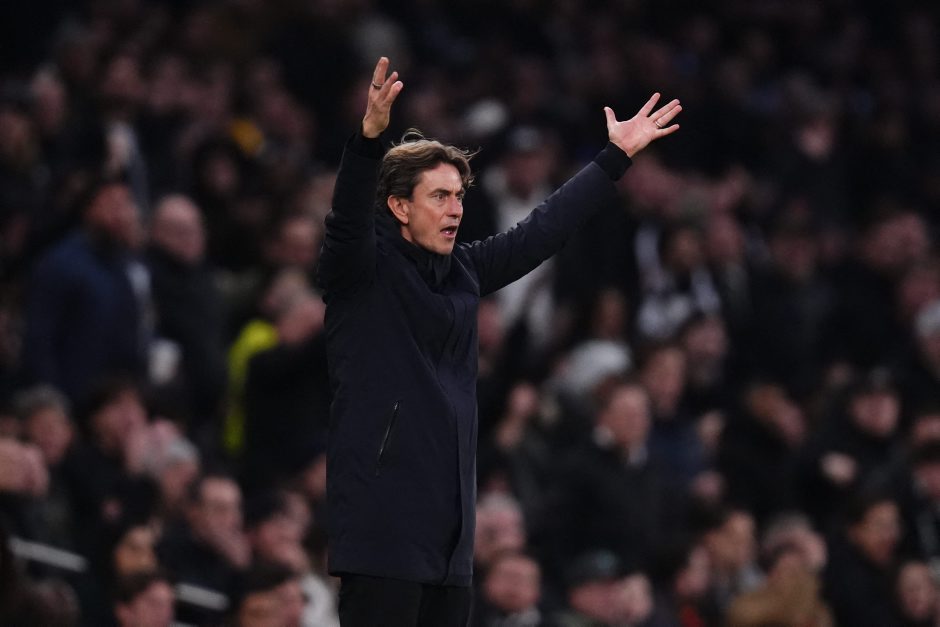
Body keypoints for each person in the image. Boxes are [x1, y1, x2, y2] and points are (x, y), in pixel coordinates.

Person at [318, 56, 681, 626]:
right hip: (382, 531)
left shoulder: (465, 270)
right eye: (439, 196)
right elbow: (344, 223)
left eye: (459, 196)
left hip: (451, 540)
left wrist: (613, 160)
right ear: (399, 206)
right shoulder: (362, 274)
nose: (456, 210)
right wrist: (367, 143)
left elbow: (542, 230)